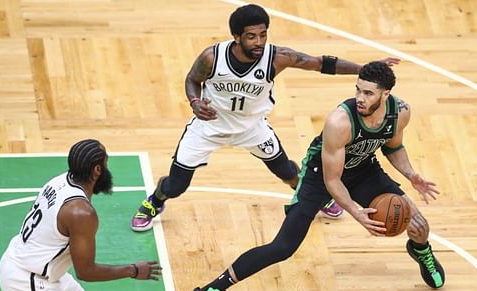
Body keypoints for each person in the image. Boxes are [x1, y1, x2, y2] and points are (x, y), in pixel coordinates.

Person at [185, 61, 445, 291]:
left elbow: (393, 147)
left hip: (364, 170)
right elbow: (333, 181)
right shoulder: (340, 121)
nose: (360, 98)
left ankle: (421, 251)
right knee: (283, 247)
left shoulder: (400, 112)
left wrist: (411, 175)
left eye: (368, 93)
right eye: (358, 90)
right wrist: (356, 212)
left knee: (418, 223)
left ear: (386, 94)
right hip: (320, 176)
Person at [130, 3, 401, 231]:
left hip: (252, 129)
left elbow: (320, 63)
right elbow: (192, 79)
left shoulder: (276, 58)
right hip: (208, 127)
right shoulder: (212, 57)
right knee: (176, 185)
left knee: (286, 171)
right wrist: (194, 101)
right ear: (236, 37)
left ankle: (319, 196)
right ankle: (155, 199)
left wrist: (363, 69)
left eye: (263, 35)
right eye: (251, 36)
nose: (259, 42)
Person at [0, 139, 162, 291]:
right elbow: (85, 272)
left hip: (30, 264)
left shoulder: (60, 180)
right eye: (106, 163)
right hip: (28, 281)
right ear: (97, 170)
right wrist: (133, 270)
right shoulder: (81, 213)